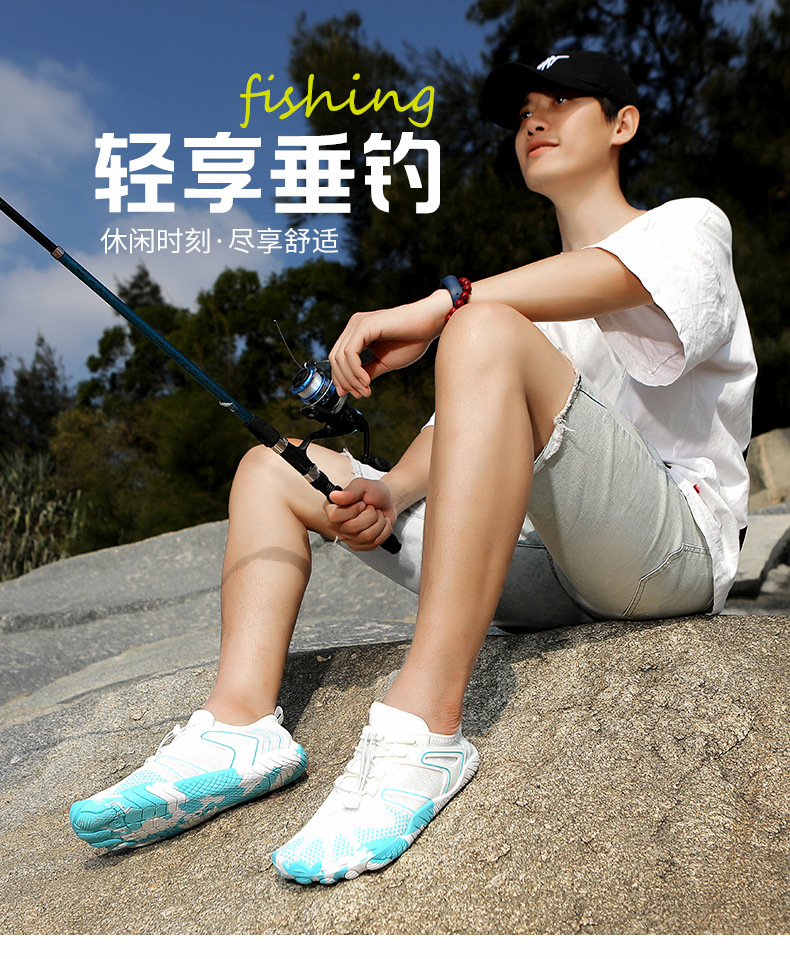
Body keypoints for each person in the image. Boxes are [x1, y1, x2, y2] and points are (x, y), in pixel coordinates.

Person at [70, 51, 756, 884]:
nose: (534, 120)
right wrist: (388, 491)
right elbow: (463, 433)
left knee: (482, 328)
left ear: (623, 123)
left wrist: (443, 304)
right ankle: (239, 727)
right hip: (546, 568)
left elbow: (605, 283)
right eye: (523, 111)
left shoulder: (687, 226)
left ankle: (424, 729)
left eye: (561, 100)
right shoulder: (517, 305)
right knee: (272, 467)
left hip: (667, 556)